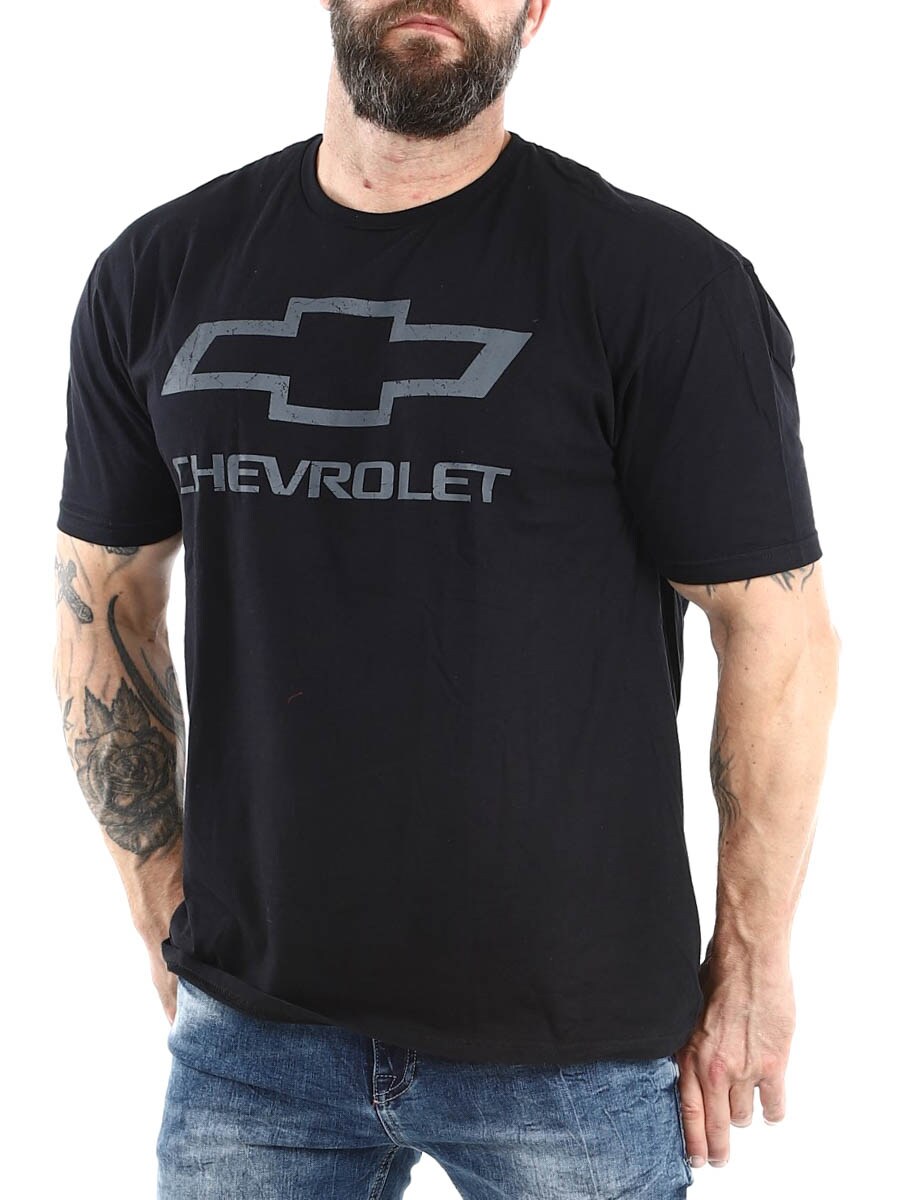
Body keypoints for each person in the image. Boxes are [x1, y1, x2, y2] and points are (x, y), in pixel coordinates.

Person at [52, 1, 841, 1196]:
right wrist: (155, 897)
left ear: (535, 9)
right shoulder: (160, 271)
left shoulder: (662, 285)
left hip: (570, 1047)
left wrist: (751, 961)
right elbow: (99, 596)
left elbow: (774, 626)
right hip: (253, 1040)